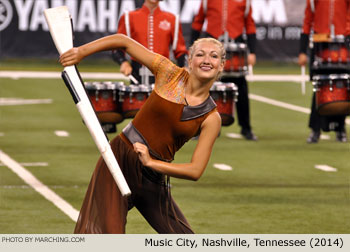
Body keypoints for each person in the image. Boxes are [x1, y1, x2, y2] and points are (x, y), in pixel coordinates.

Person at [59, 34, 224, 233]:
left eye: (214, 56)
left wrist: (151, 163)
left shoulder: (211, 118)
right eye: (200, 54)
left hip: (153, 176)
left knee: (185, 239)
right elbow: (123, 41)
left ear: (221, 66)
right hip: (119, 160)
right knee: (109, 237)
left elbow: (195, 171)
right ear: (190, 61)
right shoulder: (169, 73)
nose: (207, 60)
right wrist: (81, 52)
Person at [190, 0, 258, 141]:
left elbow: (249, 25)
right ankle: (202, 127)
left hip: (235, 47)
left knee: (241, 87)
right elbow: (198, 22)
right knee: (206, 88)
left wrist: (252, 51)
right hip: (211, 45)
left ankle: (246, 128)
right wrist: (192, 48)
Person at [298, 0, 349, 143]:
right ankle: (315, 129)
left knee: (342, 88)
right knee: (319, 87)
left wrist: (345, 35)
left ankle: (340, 128)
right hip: (321, 44)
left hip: (342, 45)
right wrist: (302, 51)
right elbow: (307, 21)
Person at [112, 0, 188, 85]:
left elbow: (180, 51)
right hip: (137, 73)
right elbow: (117, 47)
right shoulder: (128, 17)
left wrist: (185, 68)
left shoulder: (172, 19)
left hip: (164, 74)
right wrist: (123, 62)